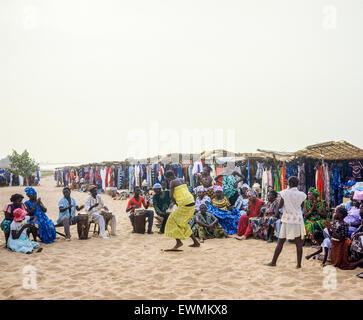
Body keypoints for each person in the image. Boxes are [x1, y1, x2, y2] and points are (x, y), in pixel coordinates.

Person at [266, 176, 307, 269]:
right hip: (297, 219)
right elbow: (301, 206)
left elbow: (280, 206)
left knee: (280, 241)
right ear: (297, 184)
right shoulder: (302, 194)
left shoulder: (284, 193)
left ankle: (273, 262)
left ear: (289, 183)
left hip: (287, 219)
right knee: (298, 243)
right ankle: (299, 264)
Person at [163, 170, 200, 250]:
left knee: (171, 220)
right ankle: (196, 242)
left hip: (184, 204)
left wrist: (175, 203)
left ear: (168, 177)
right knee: (183, 222)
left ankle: (178, 242)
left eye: (166, 178)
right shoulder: (182, 179)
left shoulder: (172, 182)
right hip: (191, 201)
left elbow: (171, 196)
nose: (167, 180)